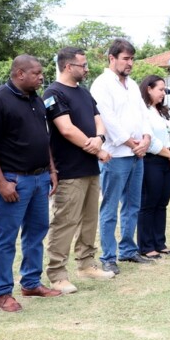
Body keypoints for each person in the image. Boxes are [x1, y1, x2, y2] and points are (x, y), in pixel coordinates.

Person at [0, 55, 61, 313]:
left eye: (41, 73)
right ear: (19, 73)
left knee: (37, 232)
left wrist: (51, 169)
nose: (41, 77)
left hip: (40, 178)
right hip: (13, 180)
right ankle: (3, 293)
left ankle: (31, 283)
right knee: (6, 237)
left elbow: (43, 138)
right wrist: (1, 182)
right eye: (36, 73)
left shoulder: (36, 99)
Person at [43, 46, 114, 293]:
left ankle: (86, 264)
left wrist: (100, 139)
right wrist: (96, 149)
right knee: (65, 222)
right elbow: (66, 129)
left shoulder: (84, 92)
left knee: (89, 220)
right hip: (68, 169)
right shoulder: (53, 93)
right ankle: (57, 274)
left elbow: (98, 120)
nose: (87, 69)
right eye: (82, 65)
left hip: (89, 168)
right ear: (67, 66)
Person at [92, 39, 153, 270]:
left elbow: (143, 115)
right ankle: (108, 257)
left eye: (132, 59)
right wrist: (130, 142)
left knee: (132, 205)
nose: (130, 63)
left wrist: (146, 139)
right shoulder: (101, 85)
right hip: (116, 155)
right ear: (112, 58)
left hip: (137, 154)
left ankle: (128, 249)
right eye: (125, 59)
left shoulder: (133, 85)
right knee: (110, 208)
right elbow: (107, 119)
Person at [137, 74, 170, 257]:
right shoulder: (143, 112)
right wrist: (169, 154)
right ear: (149, 89)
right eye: (160, 89)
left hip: (167, 161)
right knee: (149, 203)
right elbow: (150, 140)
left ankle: (159, 242)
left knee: (162, 203)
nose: (163, 93)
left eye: (164, 90)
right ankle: (146, 246)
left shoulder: (162, 111)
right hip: (152, 161)